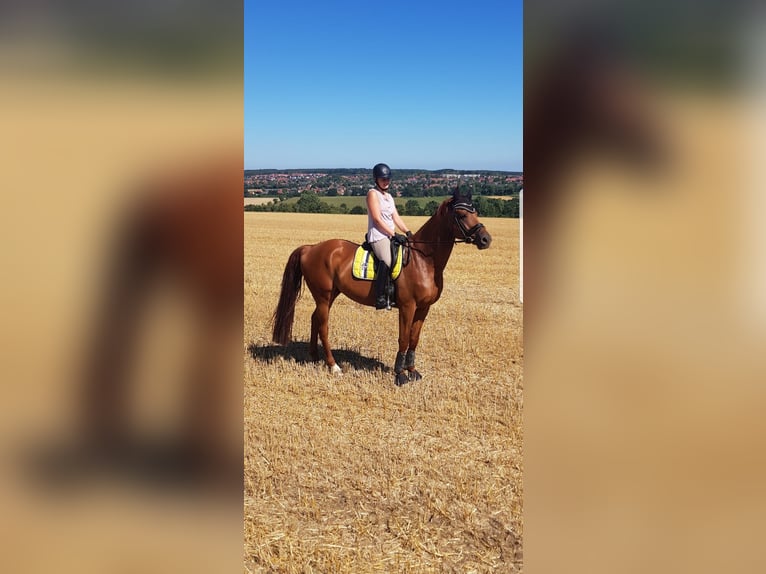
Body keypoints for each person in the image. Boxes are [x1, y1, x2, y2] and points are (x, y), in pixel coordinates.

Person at [366, 163, 412, 310]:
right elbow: (377, 219)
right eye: (383, 179)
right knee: (387, 259)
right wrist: (393, 234)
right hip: (378, 236)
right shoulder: (373, 194)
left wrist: (407, 232)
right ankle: (380, 297)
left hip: (390, 235)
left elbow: (396, 217)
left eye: (388, 179)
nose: (386, 181)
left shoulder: (389, 196)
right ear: (376, 179)